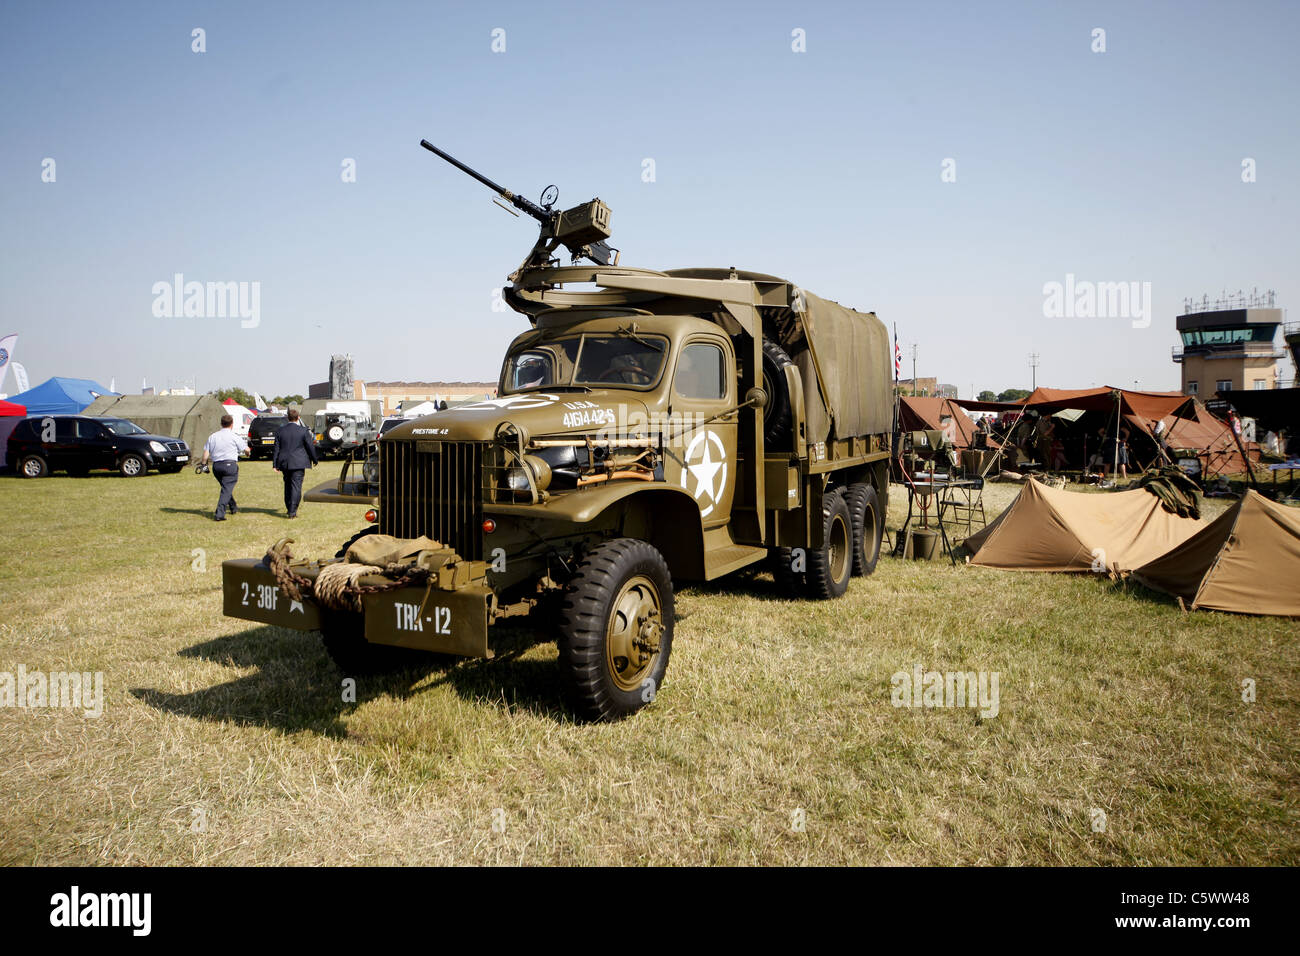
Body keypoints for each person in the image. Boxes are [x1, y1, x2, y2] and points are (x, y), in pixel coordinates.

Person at [272, 407, 318, 519]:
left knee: (287, 486)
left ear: (287, 418)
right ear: (298, 418)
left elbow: (276, 449)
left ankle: (289, 508)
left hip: (284, 462)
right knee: (296, 486)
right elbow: (310, 447)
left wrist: (275, 464)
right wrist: (315, 459)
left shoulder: (280, 431)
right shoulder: (303, 431)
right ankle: (292, 511)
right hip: (298, 462)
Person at [200, 414, 249, 521]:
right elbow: (246, 450)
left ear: (221, 424)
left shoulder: (213, 436)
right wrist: (248, 453)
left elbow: (205, 454)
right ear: (232, 424)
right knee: (226, 489)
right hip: (230, 465)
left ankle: (233, 507)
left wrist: (203, 465)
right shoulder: (234, 436)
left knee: (226, 487)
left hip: (217, 466)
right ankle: (219, 514)